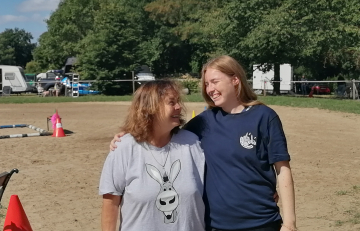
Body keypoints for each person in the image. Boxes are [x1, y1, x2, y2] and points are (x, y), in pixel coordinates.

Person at [111, 55, 297, 231]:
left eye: (215, 81)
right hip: (215, 225)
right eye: (207, 84)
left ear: (235, 79)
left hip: (262, 222)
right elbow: (163, 132)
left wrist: (289, 223)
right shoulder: (203, 123)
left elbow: (282, 169)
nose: (210, 89)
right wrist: (129, 134)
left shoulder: (264, 117)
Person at [99, 80, 206, 231]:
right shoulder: (124, 148)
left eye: (178, 101)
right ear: (150, 108)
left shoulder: (191, 143)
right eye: (171, 102)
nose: (179, 107)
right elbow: (111, 202)